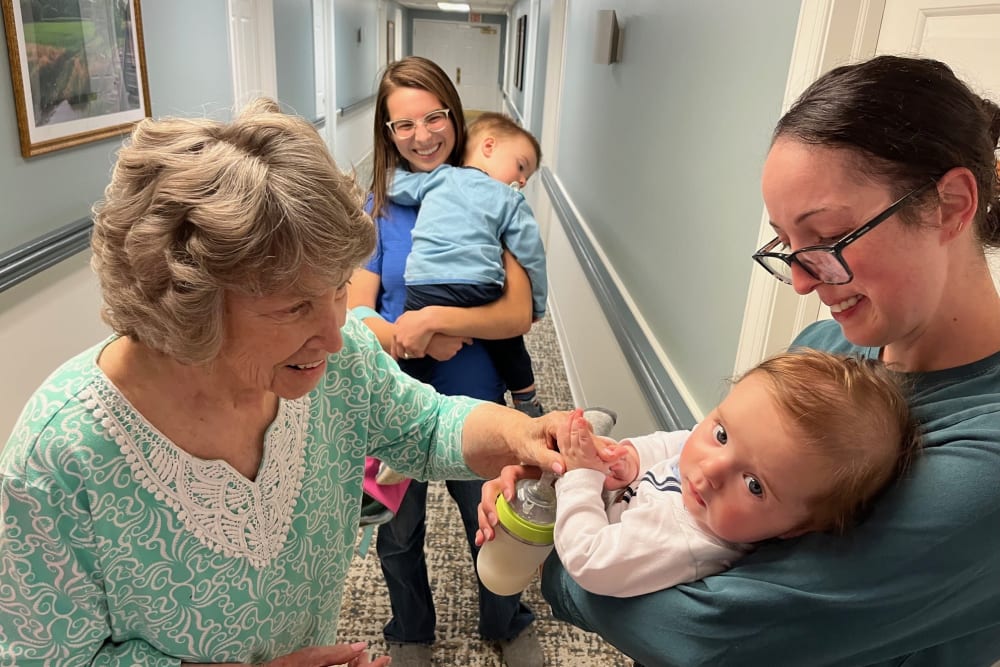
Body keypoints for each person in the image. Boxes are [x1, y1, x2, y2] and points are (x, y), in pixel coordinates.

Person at [0, 98, 565, 666]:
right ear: (189, 304)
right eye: (294, 307)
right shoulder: (59, 457)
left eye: (339, 289)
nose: (335, 334)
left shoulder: (335, 365)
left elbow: (427, 426)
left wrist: (520, 436)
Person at [481, 55, 1000, 666]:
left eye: (828, 240)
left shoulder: (983, 459)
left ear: (950, 205)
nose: (804, 283)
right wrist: (579, 474)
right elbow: (693, 488)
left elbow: (705, 634)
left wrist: (567, 539)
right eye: (786, 245)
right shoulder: (828, 350)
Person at [347, 56, 545, 667]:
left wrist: (441, 321)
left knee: (489, 517)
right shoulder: (379, 207)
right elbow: (357, 318)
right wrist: (413, 340)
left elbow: (518, 313)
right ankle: (409, 630)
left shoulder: (486, 191)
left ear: (455, 117)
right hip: (391, 397)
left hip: (471, 395)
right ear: (386, 133)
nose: (423, 135)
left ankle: (505, 620)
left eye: (434, 117)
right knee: (397, 531)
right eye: (403, 125)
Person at [548, 350, 918, 598]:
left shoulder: (685, 542)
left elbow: (588, 559)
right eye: (723, 434)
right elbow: (679, 444)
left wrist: (580, 475)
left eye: (754, 485)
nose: (711, 471)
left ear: (797, 527)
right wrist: (631, 457)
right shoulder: (713, 473)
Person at [389, 111, 547, 418]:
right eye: (521, 166)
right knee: (509, 345)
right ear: (489, 146)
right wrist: (537, 305)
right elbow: (532, 255)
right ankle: (526, 399)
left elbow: (396, 187)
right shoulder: (508, 198)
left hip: (423, 284)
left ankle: (398, 405)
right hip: (478, 284)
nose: (523, 180)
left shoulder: (438, 177)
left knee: (412, 356)